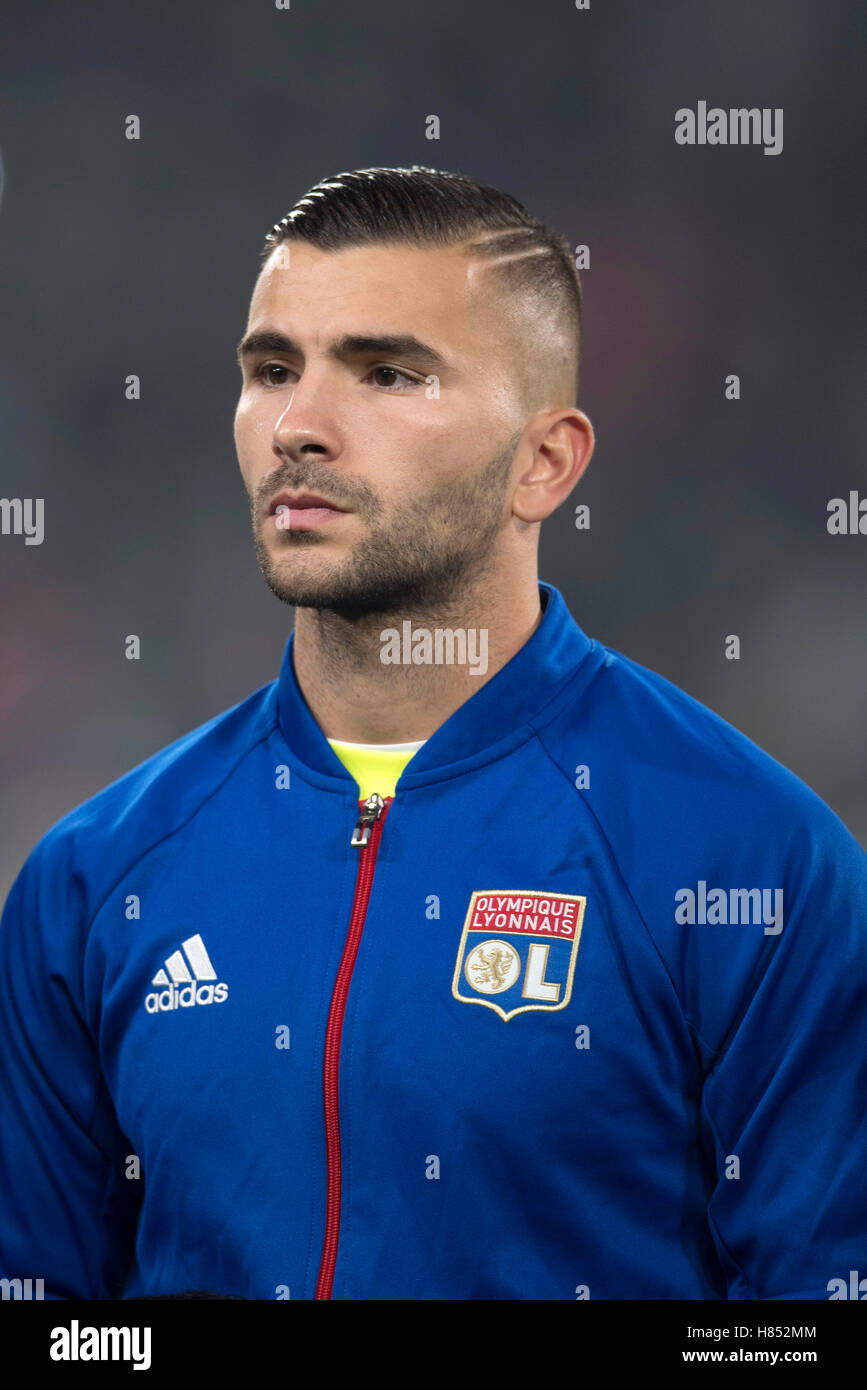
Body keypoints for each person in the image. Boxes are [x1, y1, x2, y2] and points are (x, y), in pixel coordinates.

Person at [0, 166, 864, 1301]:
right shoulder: (92, 880)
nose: (299, 426)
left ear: (543, 463)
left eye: (389, 372)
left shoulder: (753, 865)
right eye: (272, 371)